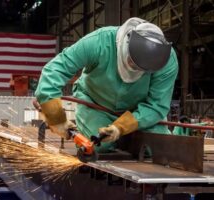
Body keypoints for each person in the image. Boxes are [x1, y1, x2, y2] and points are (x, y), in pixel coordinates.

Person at [35, 17, 179, 153]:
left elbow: (157, 105)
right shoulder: (99, 42)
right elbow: (54, 71)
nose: (134, 69)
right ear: (126, 43)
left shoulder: (167, 62)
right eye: (131, 62)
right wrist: (55, 117)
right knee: (98, 144)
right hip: (95, 104)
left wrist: (121, 127)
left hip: (139, 112)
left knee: (158, 148)